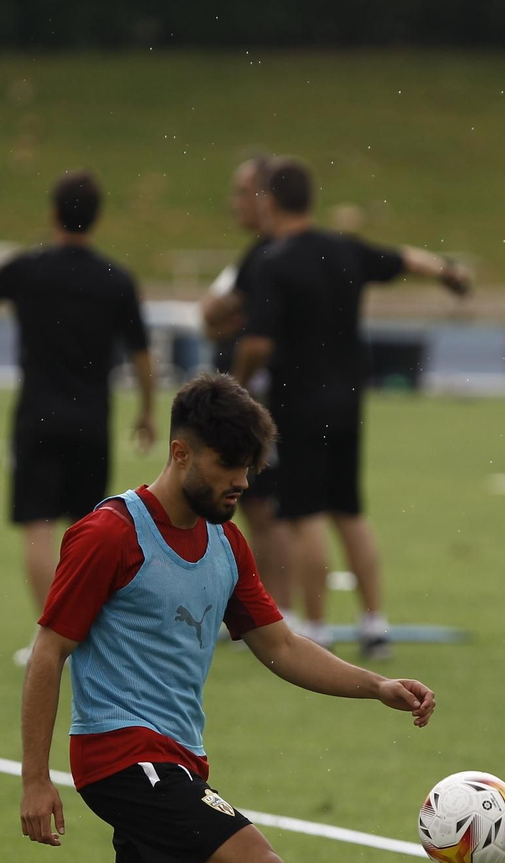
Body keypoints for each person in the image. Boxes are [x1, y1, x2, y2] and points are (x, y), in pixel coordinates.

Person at [19, 373, 494, 863]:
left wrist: (377, 684)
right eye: (227, 465)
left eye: (250, 467)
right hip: (123, 758)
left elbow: (278, 644)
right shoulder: (108, 534)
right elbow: (48, 652)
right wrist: (36, 779)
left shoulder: (226, 544)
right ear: (181, 452)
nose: (242, 481)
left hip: (178, 759)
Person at [235, 157, 471, 658]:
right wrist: (447, 272)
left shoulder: (276, 262)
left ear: (271, 202)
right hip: (349, 400)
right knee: (351, 511)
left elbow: (256, 341)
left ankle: (316, 629)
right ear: (311, 201)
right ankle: (374, 623)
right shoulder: (344, 250)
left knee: (305, 516)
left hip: (299, 403)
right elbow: (404, 260)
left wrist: (235, 382)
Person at [0, 171, 156, 661]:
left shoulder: (30, 270)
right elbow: (142, 354)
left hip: (37, 417)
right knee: (87, 534)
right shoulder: (114, 279)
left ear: (53, 214)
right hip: (92, 420)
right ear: (98, 217)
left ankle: (49, 636)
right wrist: (148, 412)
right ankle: (85, 633)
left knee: (38, 527)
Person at [198, 155, 290, 607]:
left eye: (241, 192)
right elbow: (214, 319)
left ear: (266, 197)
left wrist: (234, 391)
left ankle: (278, 614)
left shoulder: (272, 254)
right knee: (258, 509)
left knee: (265, 510)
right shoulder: (259, 252)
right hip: (259, 395)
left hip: (264, 397)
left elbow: (221, 317)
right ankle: (273, 613)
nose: (234, 203)